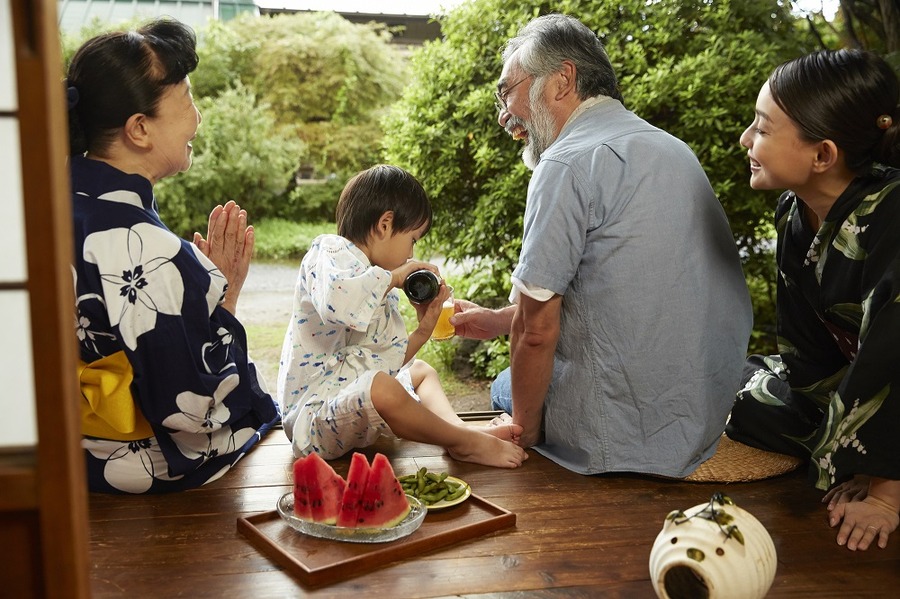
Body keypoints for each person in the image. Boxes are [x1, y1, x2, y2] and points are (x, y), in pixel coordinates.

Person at [450, 14, 753, 478]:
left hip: (624, 436)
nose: (503, 113)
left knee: (505, 389)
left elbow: (536, 333)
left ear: (562, 80)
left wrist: (523, 431)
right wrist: (498, 321)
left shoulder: (566, 163)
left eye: (507, 90)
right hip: (706, 414)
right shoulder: (674, 149)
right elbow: (622, 293)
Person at [68, 18, 279, 494]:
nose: (197, 118)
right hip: (125, 463)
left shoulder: (54, 196)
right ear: (139, 128)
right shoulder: (146, 249)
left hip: (62, 448)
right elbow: (194, 412)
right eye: (187, 99)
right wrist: (223, 298)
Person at [726, 49, 900, 551]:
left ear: (822, 155)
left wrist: (884, 495)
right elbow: (805, 346)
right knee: (739, 393)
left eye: (760, 129)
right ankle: (851, 444)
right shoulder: (794, 210)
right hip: (857, 378)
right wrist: (832, 429)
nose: (745, 140)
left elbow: (891, 356)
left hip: (893, 380)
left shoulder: (894, 213)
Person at [276, 165, 528, 468]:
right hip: (314, 419)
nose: (411, 253)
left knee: (420, 371)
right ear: (385, 224)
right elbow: (338, 303)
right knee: (382, 387)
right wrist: (394, 278)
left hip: (348, 409)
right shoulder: (330, 252)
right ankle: (465, 441)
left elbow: (384, 361)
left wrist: (423, 330)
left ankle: (457, 431)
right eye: (413, 239)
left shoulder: (377, 282)